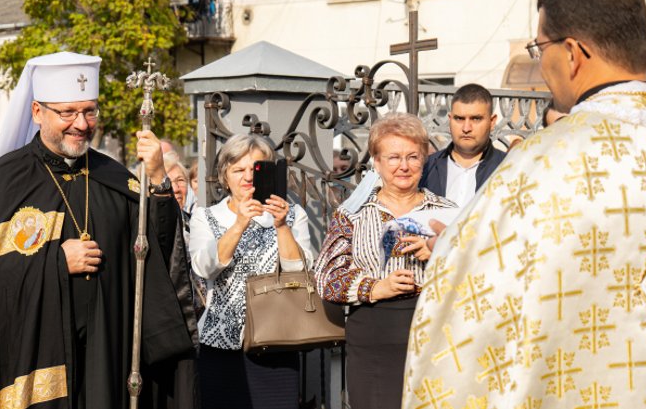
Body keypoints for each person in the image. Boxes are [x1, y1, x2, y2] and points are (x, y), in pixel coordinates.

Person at [402, 0, 646, 408]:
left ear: (572, 53)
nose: (541, 62)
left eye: (539, 47)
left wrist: (452, 248)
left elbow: (466, 332)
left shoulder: (536, 170)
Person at [0, 52, 197, 409]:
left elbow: (157, 260)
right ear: (38, 112)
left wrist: (160, 182)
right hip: (32, 363)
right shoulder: (4, 182)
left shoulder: (114, 178)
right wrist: (55, 262)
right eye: (68, 112)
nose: (82, 124)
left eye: (90, 111)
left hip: (106, 356)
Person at [314, 113, 455, 409]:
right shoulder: (352, 214)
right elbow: (325, 277)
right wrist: (375, 288)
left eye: (412, 156)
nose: (403, 166)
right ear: (377, 163)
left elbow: (478, 270)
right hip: (373, 337)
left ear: (425, 159)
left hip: (435, 333)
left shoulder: (450, 212)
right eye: (393, 157)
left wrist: (439, 251)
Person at [189, 134, 312, 409]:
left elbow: (300, 273)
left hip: (277, 341)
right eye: (238, 170)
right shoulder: (206, 217)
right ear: (225, 176)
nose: (247, 177)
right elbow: (203, 267)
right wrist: (239, 223)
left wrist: (282, 227)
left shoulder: (292, 215)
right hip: (220, 345)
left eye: (255, 168)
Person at [419, 83, 506, 209]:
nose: (466, 128)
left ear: (492, 122)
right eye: (459, 119)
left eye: (476, 119)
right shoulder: (426, 168)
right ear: (450, 120)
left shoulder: (507, 167)